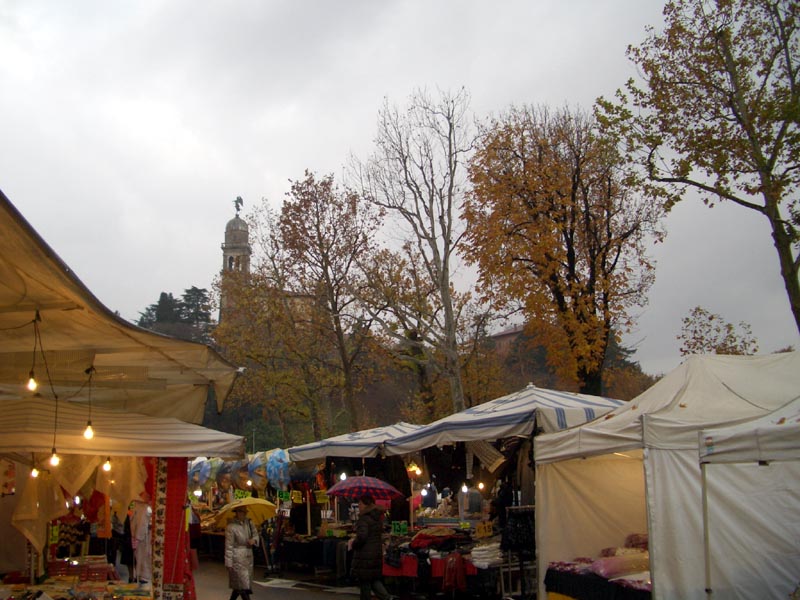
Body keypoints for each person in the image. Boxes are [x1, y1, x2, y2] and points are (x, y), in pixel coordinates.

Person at [348, 494, 393, 600]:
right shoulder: (377, 518)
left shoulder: (364, 519)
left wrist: (354, 544)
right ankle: (387, 598)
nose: (359, 506)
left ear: (366, 504)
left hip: (365, 554)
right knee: (373, 579)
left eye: (360, 503)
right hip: (375, 552)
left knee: (365, 582)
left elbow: (362, 537)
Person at [224, 505, 259, 600]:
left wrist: (254, 540)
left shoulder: (249, 523)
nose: (244, 514)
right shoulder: (231, 527)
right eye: (242, 512)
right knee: (242, 585)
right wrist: (228, 562)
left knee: (242, 584)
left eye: (245, 512)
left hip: (248, 556)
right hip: (237, 557)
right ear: (237, 512)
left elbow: (256, 535)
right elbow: (229, 546)